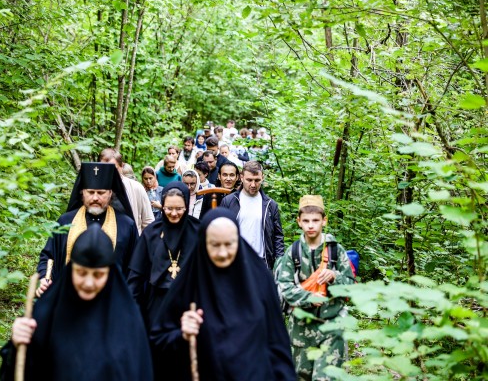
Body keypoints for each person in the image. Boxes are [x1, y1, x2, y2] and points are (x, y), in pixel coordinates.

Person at [150, 209, 297, 381]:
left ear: (238, 241)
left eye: (229, 244)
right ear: (203, 242)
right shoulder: (189, 283)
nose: (222, 253)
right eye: (215, 244)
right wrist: (181, 334)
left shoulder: (259, 280)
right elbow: (159, 342)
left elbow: (277, 344)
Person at [0, 224, 153, 381]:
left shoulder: (128, 321)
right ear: (70, 269)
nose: (88, 283)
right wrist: (16, 344)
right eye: (81, 272)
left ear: (110, 274)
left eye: (98, 275)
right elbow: (21, 371)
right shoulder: (46, 314)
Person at [274, 195, 355, 381]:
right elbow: (284, 286)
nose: (311, 226)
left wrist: (335, 277)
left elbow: (351, 287)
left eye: (316, 221)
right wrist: (308, 298)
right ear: (299, 222)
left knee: (325, 378)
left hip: (331, 327)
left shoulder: (336, 250)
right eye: (306, 221)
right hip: (300, 331)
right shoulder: (293, 252)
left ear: (324, 221)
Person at [36, 162, 138, 297]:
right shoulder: (65, 222)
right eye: (90, 192)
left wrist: (127, 298)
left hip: (111, 302)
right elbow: (48, 256)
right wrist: (44, 277)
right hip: (68, 299)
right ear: (82, 193)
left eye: (101, 193)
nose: (95, 197)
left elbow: (136, 268)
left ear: (110, 193)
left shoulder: (127, 225)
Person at [128, 182, 200, 329]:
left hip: (190, 304)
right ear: (162, 206)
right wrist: (132, 311)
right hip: (157, 304)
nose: (174, 214)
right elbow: (136, 276)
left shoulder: (198, 231)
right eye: (169, 208)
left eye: (179, 209)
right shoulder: (151, 233)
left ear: (186, 206)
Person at [219, 160, 284, 270]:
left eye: (257, 180)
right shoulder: (229, 201)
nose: (253, 185)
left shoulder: (270, 205)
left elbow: (278, 237)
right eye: (249, 180)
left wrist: (279, 264)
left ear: (262, 177)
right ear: (241, 177)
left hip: (262, 263)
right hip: (235, 262)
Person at [100, 148, 154, 235]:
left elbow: (148, 222)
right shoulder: (93, 191)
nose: (109, 173)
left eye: (113, 169)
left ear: (122, 166)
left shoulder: (136, 188)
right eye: (105, 169)